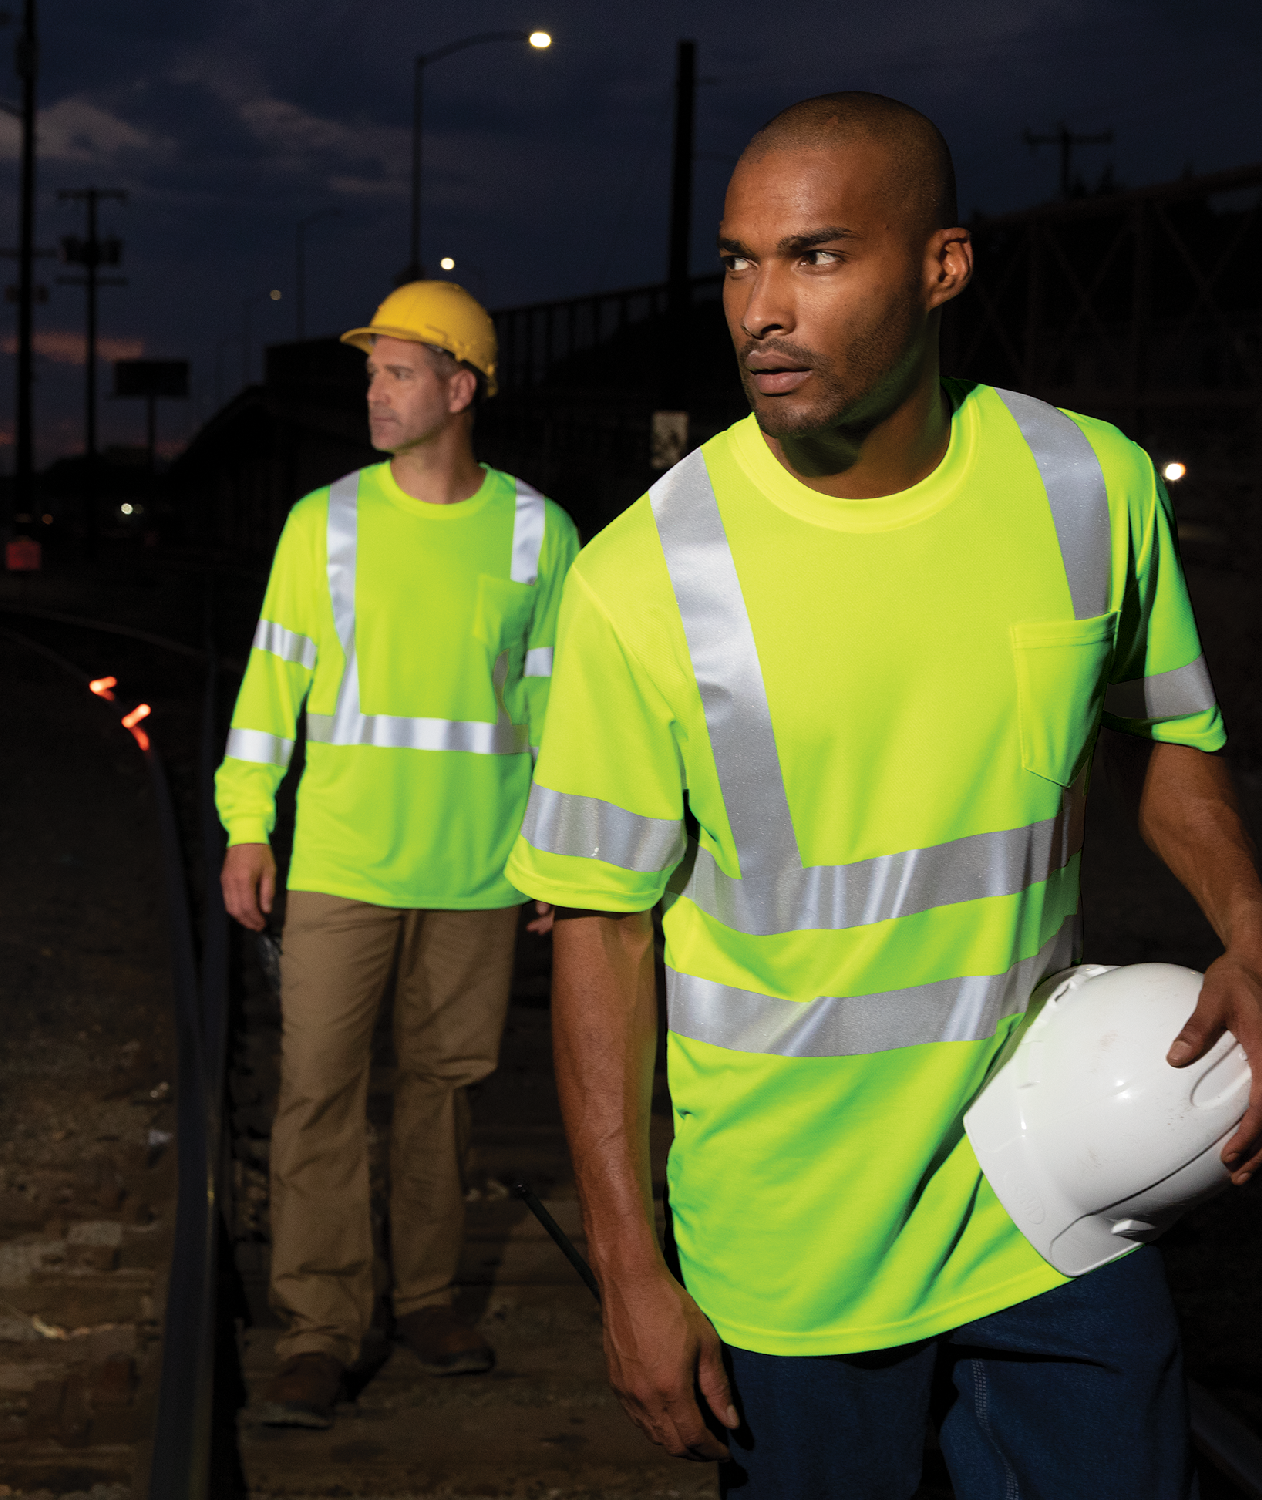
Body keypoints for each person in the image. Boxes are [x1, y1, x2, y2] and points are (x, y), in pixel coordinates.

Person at [504, 93, 1262, 1498]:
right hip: (794, 1242)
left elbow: (1172, 743)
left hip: (1051, 1183)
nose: (760, 309)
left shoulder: (1089, 489)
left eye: (818, 257)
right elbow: (598, 934)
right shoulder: (639, 581)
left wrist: (1249, 914)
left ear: (943, 268)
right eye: (738, 261)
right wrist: (627, 1269)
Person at [218, 280, 579, 1429]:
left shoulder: (538, 531)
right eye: (370, 374)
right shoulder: (323, 523)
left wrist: (559, 857)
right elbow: (272, 686)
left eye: (398, 372)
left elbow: (562, 711)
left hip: (479, 874)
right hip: (341, 865)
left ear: (460, 389)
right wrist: (247, 823)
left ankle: (424, 1300)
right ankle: (320, 1332)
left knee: (444, 1100)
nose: (373, 393)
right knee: (317, 1097)